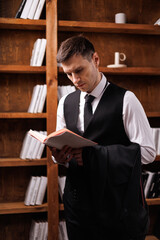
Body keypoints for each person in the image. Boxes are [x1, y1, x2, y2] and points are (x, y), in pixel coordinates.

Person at [50, 35, 156, 240]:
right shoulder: (64, 103)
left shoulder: (127, 99)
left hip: (118, 208)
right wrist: (59, 157)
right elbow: (63, 148)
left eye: (79, 70)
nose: (75, 80)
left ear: (95, 60)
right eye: (68, 74)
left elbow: (149, 153)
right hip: (78, 208)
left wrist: (93, 155)